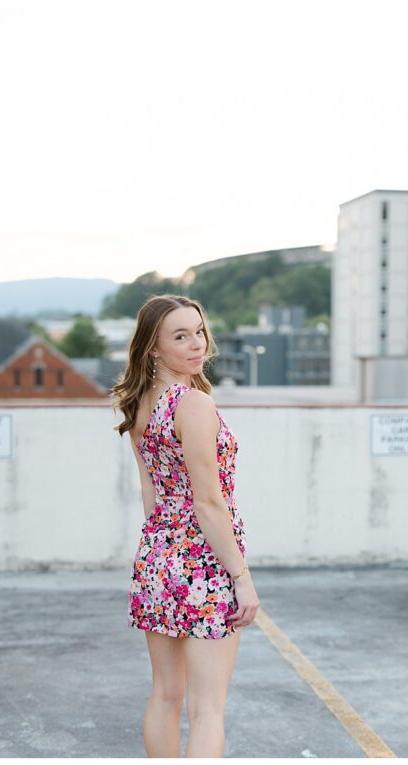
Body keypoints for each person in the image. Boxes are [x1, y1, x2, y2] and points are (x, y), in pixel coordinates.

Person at [111, 294, 259, 757]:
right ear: (154, 348)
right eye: (180, 336)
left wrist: (164, 553)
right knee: (207, 709)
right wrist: (241, 577)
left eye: (198, 331)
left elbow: (151, 496)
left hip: (158, 556)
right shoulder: (191, 404)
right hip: (205, 560)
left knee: (165, 695)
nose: (197, 344)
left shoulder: (139, 405)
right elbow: (209, 501)